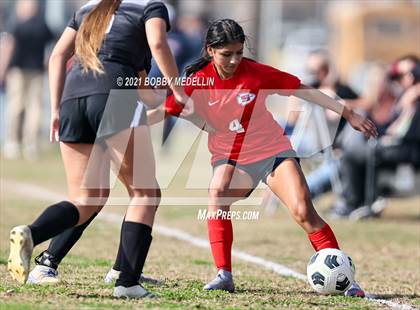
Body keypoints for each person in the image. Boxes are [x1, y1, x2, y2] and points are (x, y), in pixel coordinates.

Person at [147, 19, 377, 296]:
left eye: (239, 52)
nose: (234, 60)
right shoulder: (198, 81)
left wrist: (349, 114)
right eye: (226, 54)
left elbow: (302, 89)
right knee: (217, 193)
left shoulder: (256, 74)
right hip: (231, 157)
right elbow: (169, 109)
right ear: (210, 50)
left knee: (304, 211)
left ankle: (346, 279)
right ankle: (224, 275)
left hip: (272, 151)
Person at [7, 0, 187, 299]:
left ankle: (32, 233)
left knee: (87, 197)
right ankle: (127, 282)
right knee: (145, 192)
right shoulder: (151, 7)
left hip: (72, 99)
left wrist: (54, 108)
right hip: (114, 97)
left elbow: (57, 56)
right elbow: (157, 42)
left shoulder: (88, 8)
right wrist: (178, 88)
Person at [0, 0, 53, 160]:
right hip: (37, 71)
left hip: (17, 71)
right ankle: (31, 144)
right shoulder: (42, 26)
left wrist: (2, 69)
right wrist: (47, 62)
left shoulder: (16, 24)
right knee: (34, 108)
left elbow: (8, 46)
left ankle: (13, 142)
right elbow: (53, 44)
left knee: (16, 106)